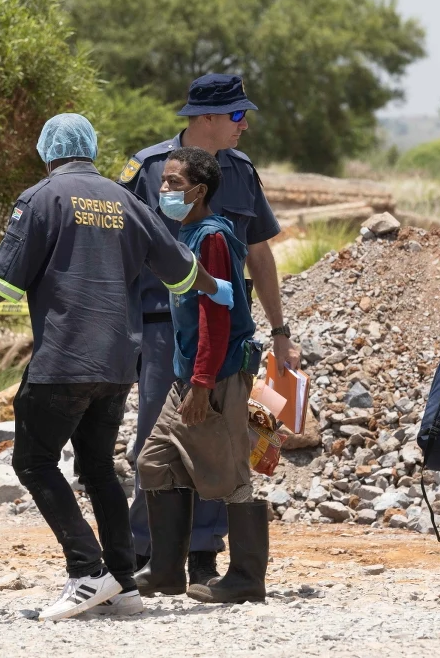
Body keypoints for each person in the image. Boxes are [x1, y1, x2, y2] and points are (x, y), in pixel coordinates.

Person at [0, 113, 235, 621]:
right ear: (91, 147)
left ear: (47, 150)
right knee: (100, 467)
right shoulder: (127, 199)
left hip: (63, 359)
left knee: (33, 462)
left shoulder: (40, 198)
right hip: (117, 364)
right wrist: (218, 289)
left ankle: (87, 570)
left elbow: (4, 286)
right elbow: (183, 271)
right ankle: (124, 582)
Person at [119, 73, 292, 582]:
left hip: (220, 330)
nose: (245, 125)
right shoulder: (149, 169)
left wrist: (280, 330)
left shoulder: (240, 172)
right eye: (239, 115)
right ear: (208, 119)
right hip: (158, 327)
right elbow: (121, 250)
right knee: (158, 441)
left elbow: (258, 251)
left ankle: (205, 553)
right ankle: (148, 550)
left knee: (219, 438)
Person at [134, 147, 268, 604]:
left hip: (217, 374)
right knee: (154, 462)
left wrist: (202, 382)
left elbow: (216, 315)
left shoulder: (210, 237)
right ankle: (167, 571)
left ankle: (247, 577)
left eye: (174, 182)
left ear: (200, 190)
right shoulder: (185, 233)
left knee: (232, 475)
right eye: (165, 180)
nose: (164, 188)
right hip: (187, 374)